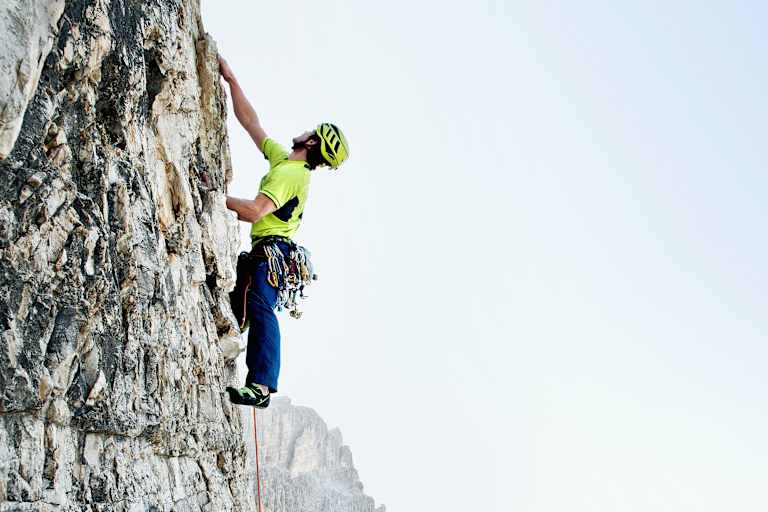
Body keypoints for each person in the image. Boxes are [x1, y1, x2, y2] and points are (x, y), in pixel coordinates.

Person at [218, 56, 349, 409]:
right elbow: (252, 124)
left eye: (311, 131)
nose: (305, 130)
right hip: (266, 252)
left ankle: (261, 385)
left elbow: (254, 211)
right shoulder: (284, 162)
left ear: (310, 143)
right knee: (243, 307)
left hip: (270, 254)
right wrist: (232, 80)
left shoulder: (290, 175)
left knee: (261, 306)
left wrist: (214, 196)